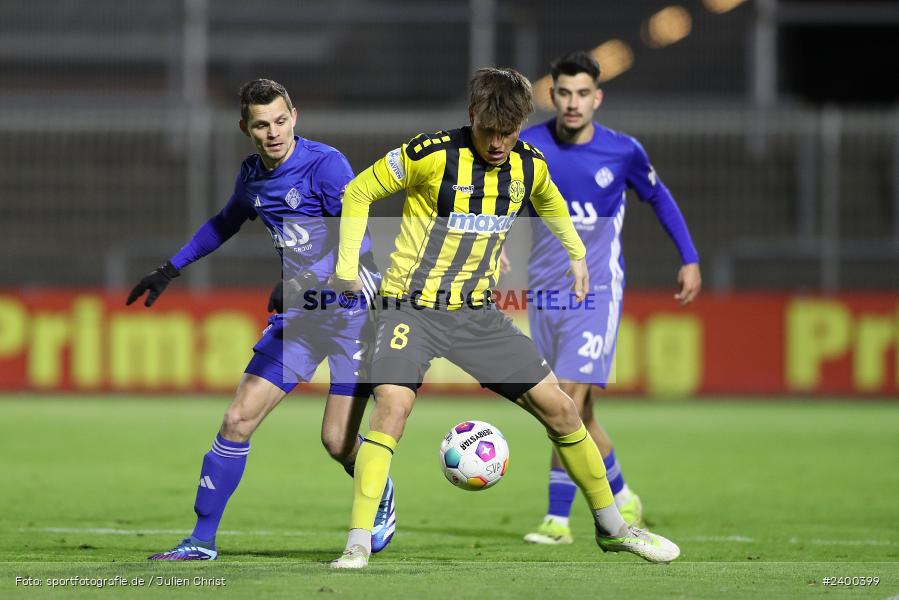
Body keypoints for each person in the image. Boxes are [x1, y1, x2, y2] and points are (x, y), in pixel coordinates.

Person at [328, 67, 680, 569]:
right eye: (490, 131)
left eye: (509, 132)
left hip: (476, 315)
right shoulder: (429, 154)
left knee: (562, 410)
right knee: (392, 408)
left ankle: (613, 526)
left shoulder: (528, 164)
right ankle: (359, 541)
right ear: (473, 116)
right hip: (410, 307)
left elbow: (550, 200)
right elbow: (359, 191)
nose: (498, 143)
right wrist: (346, 268)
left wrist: (576, 252)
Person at [126, 78, 396, 560]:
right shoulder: (252, 176)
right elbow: (225, 221)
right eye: (260, 125)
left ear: (294, 115)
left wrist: (302, 283)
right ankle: (201, 542)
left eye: (279, 121)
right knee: (236, 419)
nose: (272, 133)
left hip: (353, 313)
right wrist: (171, 268)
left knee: (337, 441)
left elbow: (356, 245)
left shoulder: (327, 166)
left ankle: (381, 492)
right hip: (302, 316)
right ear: (245, 129)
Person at [514, 51, 701, 545]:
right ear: (551, 95)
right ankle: (621, 493)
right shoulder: (527, 147)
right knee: (582, 413)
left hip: (596, 293)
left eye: (582, 94)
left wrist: (689, 256)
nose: (573, 103)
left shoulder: (623, 152)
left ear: (597, 97)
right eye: (564, 93)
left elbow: (659, 197)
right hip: (544, 294)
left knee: (563, 401)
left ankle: (558, 519)